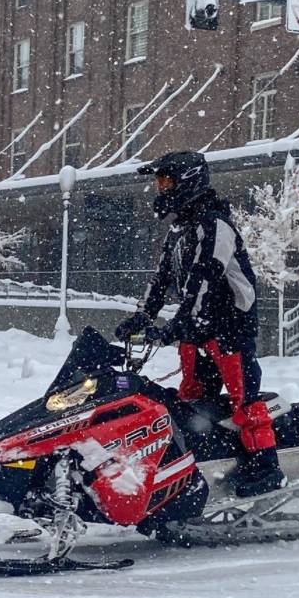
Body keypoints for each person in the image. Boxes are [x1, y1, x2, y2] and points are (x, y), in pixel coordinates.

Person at [115, 151, 285, 498]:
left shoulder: (215, 225)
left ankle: (267, 467)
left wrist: (178, 324)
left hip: (229, 326)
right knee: (191, 396)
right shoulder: (180, 229)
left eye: (167, 181)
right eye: (159, 182)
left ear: (188, 181)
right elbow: (161, 279)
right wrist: (143, 315)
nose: (161, 189)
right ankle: (204, 456)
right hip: (198, 328)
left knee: (245, 399)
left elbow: (204, 279)